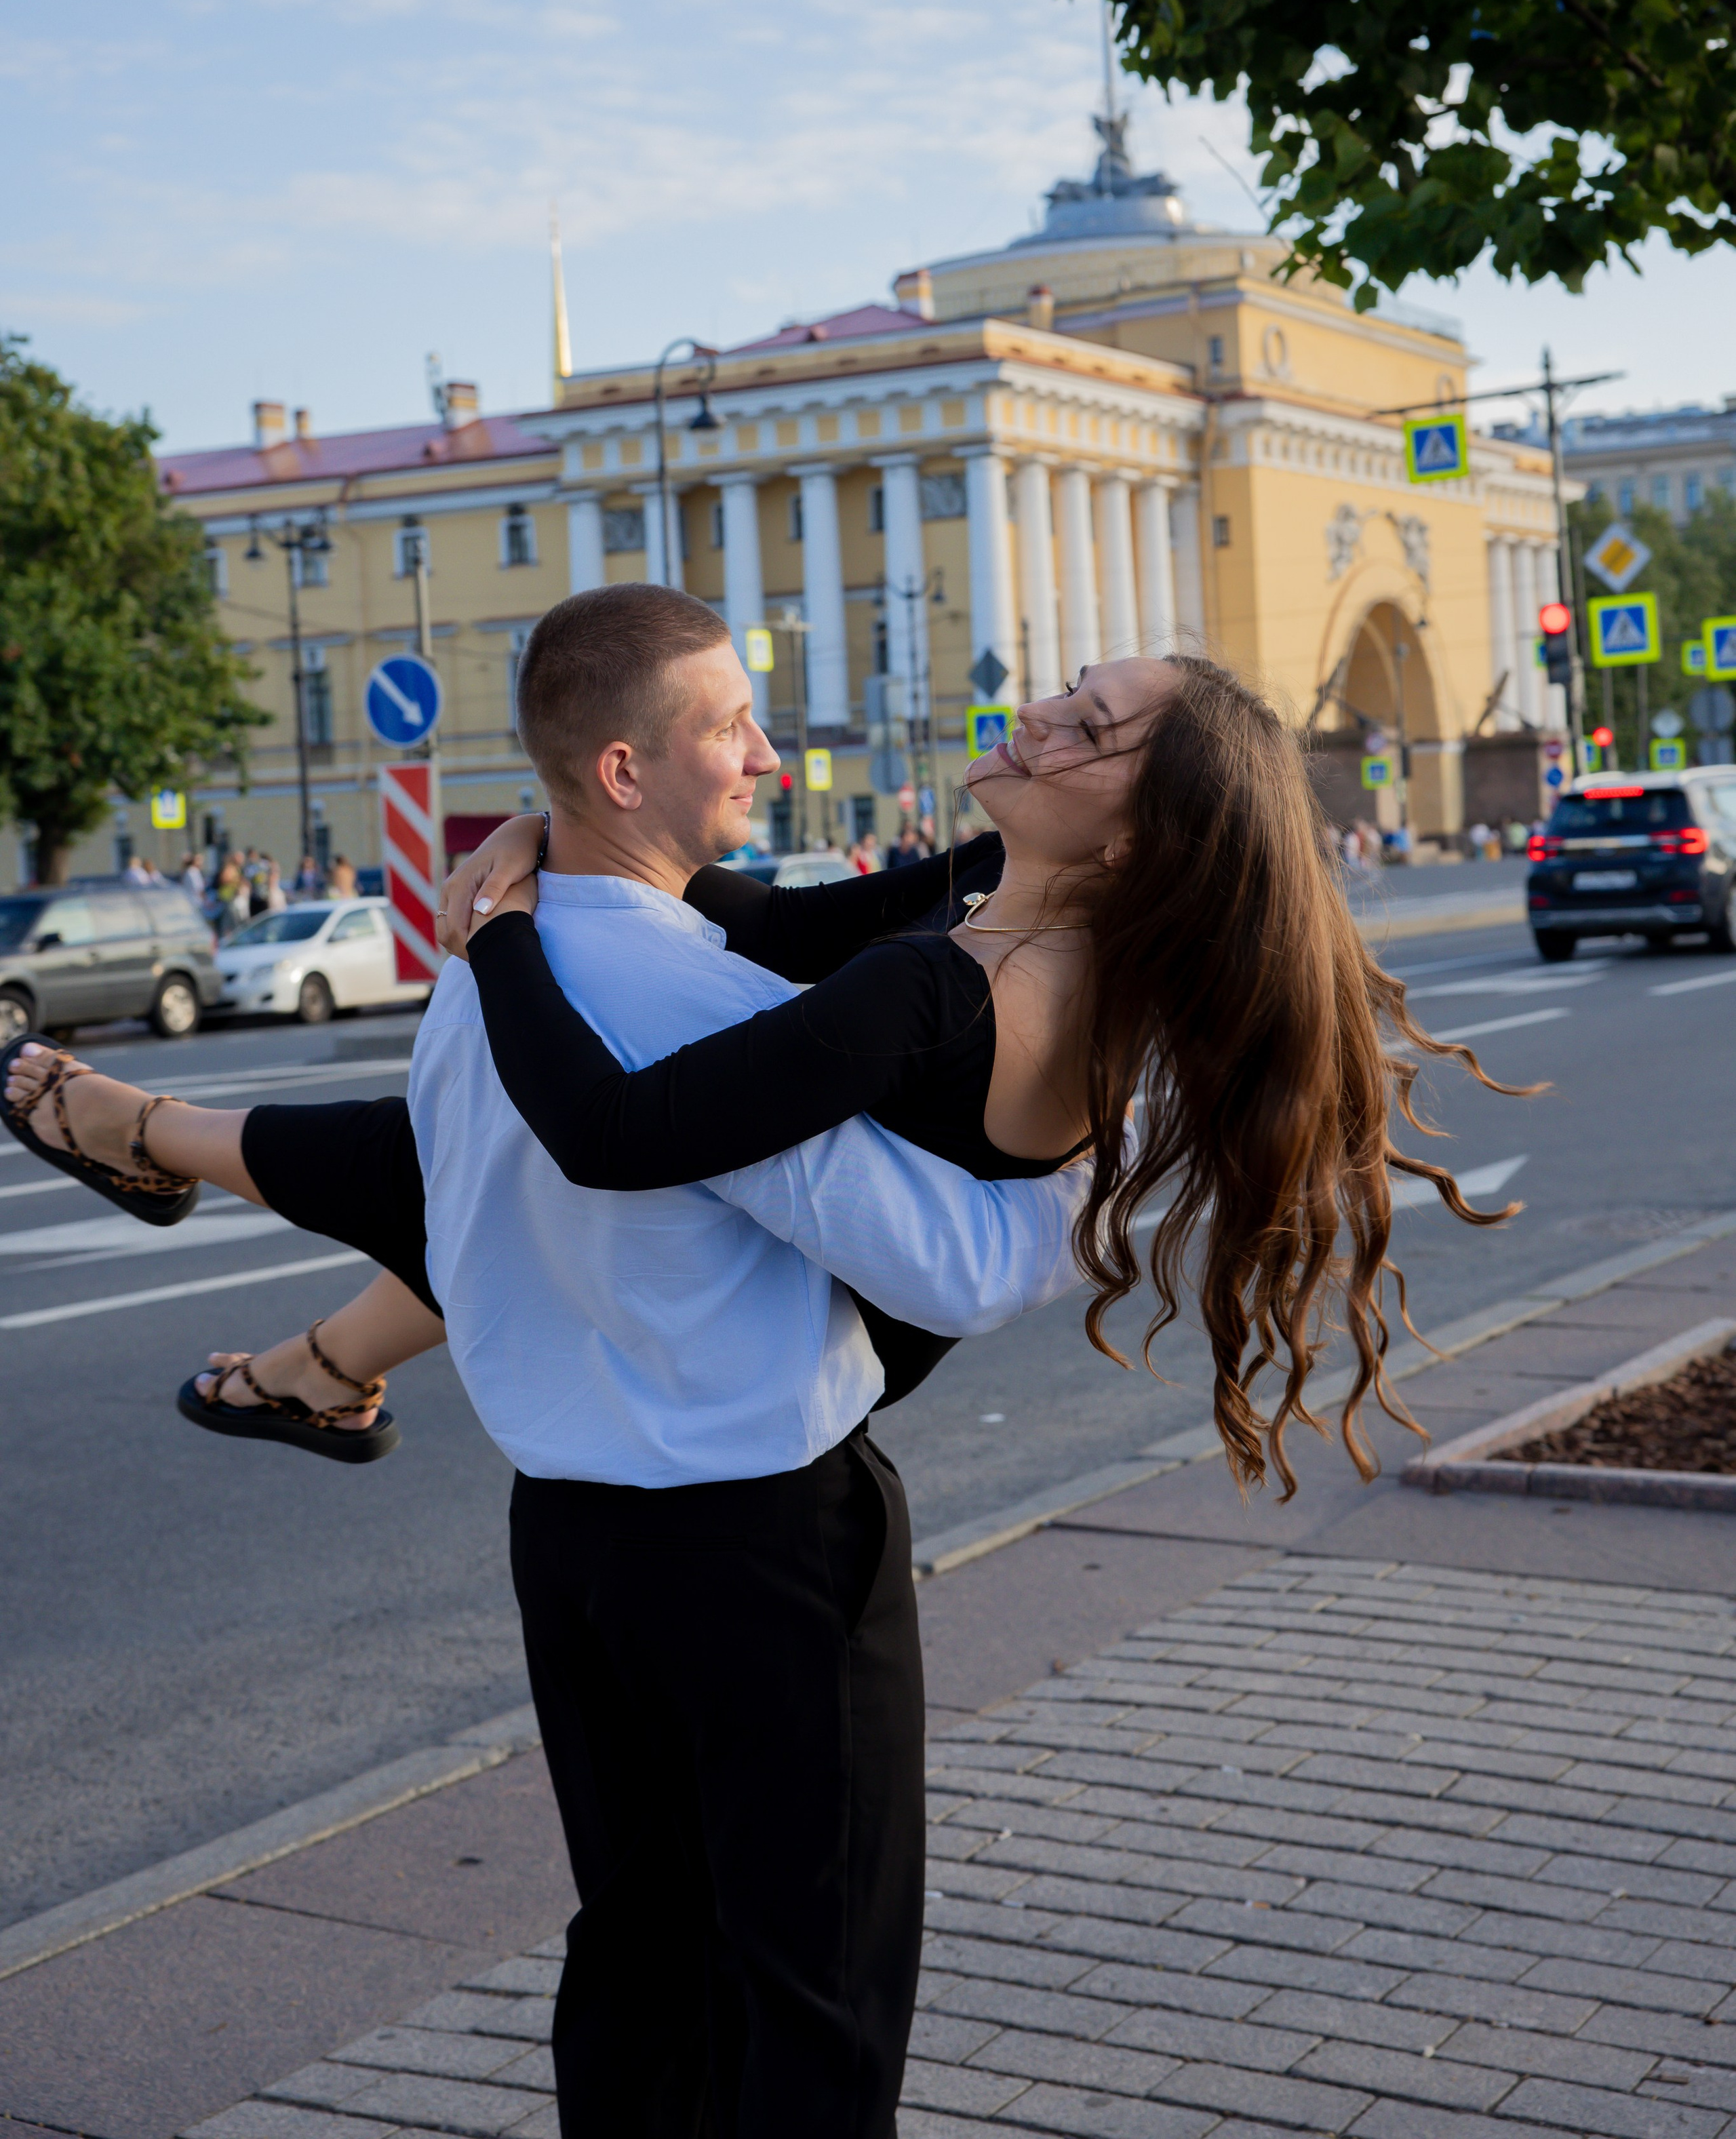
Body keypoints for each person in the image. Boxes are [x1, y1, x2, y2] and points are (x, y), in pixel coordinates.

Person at [3, 587, 1526, 2132]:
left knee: (655, 1958)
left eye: (1086, 725)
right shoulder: (1001, 910)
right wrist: (541, 871)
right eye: (1067, 689)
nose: (1040, 714)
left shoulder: (945, 982)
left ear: (1137, 834)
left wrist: (503, 940)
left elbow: (613, 1130)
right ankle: (264, 1293)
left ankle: (201, 1208)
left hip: (635, 1527)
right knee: (799, 1989)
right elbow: (773, 925)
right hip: (754, 1525)